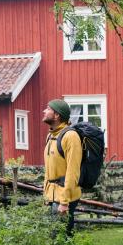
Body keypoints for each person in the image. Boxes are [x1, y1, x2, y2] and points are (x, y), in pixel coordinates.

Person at [42, 99, 82, 237]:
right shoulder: (51, 136)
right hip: (52, 197)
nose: (44, 111)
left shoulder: (71, 136)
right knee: (54, 239)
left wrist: (64, 202)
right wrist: (46, 195)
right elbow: (48, 169)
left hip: (64, 197)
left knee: (62, 239)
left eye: (48, 109)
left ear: (57, 115)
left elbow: (73, 171)